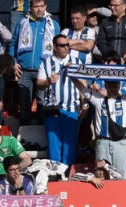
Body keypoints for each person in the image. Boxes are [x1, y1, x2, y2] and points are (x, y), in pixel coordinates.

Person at [37, 34, 83, 167]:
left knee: (70, 146)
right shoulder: (46, 63)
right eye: (62, 45)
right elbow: (39, 83)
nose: (66, 48)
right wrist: (48, 81)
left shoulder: (77, 62)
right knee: (54, 146)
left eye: (67, 45)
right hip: (52, 109)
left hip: (71, 109)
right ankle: (55, 174)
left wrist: (85, 104)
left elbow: (83, 85)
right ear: (55, 47)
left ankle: (68, 174)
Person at [12, 0, 60, 125]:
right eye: (36, 6)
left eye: (41, 6)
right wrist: (14, 62)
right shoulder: (22, 23)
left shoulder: (53, 24)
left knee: (42, 103)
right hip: (24, 70)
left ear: (45, 6)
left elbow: (58, 48)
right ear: (30, 7)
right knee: (24, 104)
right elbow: (13, 44)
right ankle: (24, 133)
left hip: (43, 71)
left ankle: (42, 132)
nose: (39, 9)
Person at [96, 0, 126, 64]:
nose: (112, 8)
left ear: (124, 6)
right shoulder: (105, 22)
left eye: (115, 5)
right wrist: (110, 57)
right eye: (111, 5)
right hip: (109, 62)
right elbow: (101, 42)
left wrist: (124, 58)